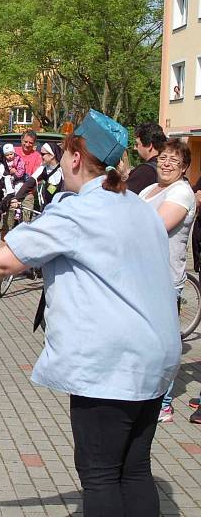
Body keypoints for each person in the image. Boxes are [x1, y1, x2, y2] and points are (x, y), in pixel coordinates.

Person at [0, 109, 180, 517]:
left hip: (112, 364)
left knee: (101, 475)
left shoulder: (78, 211)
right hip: (156, 357)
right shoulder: (137, 206)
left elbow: (3, 262)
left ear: (73, 158)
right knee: (134, 469)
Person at [137, 139, 195, 424]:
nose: (167, 163)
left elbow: (154, 227)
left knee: (162, 344)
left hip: (164, 279)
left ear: (184, 167)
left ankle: (164, 403)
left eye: (175, 160)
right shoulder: (150, 189)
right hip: (140, 276)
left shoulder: (182, 193)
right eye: (164, 158)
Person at [126, 122, 167, 195]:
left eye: (137, 144)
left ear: (149, 146)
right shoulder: (167, 167)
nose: (135, 148)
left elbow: (123, 198)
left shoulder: (145, 171)